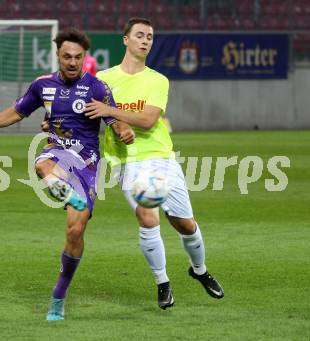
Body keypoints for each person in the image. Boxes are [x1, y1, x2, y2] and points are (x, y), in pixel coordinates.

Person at [0, 27, 134, 321]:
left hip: (87, 163)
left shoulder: (97, 87)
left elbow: (114, 121)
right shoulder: (42, 85)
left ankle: (59, 295)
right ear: (57, 55)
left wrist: (124, 130)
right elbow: (16, 113)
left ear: (84, 58)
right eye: (66, 56)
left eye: (77, 57)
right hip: (57, 152)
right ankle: (63, 191)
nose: (72, 62)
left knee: (75, 230)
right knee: (40, 164)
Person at [85, 18, 224, 310]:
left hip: (161, 156)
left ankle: (198, 270)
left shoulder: (158, 79)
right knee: (148, 218)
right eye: (139, 35)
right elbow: (85, 111)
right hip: (127, 160)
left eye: (149, 36)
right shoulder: (102, 80)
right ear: (125, 39)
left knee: (184, 224)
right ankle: (163, 283)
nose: (145, 40)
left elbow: (149, 120)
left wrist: (111, 109)